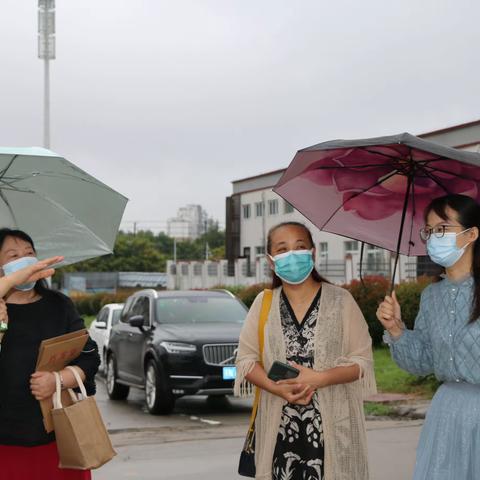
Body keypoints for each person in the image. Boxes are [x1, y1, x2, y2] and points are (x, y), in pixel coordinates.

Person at [235, 221, 376, 480]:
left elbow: (362, 361)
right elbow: (245, 360)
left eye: (299, 247)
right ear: (270, 259)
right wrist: (276, 388)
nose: (292, 254)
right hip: (280, 432)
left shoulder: (341, 301)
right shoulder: (263, 303)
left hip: (334, 432)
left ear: (312, 252)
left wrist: (319, 378)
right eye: (282, 249)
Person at [377, 194, 480, 479]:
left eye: (443, 228)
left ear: (472, 234)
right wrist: (396, 328)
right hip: (447, 413)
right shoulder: (431, 296)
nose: (435, 236)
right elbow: (422, 362)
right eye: (430, 230)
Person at [0, 228, 100, 480]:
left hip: (57, 441)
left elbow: (89, 356)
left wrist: (58, 381)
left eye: (29, 253)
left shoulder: (58, 305)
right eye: (13, 256)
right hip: (5, 446)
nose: (24, 261)